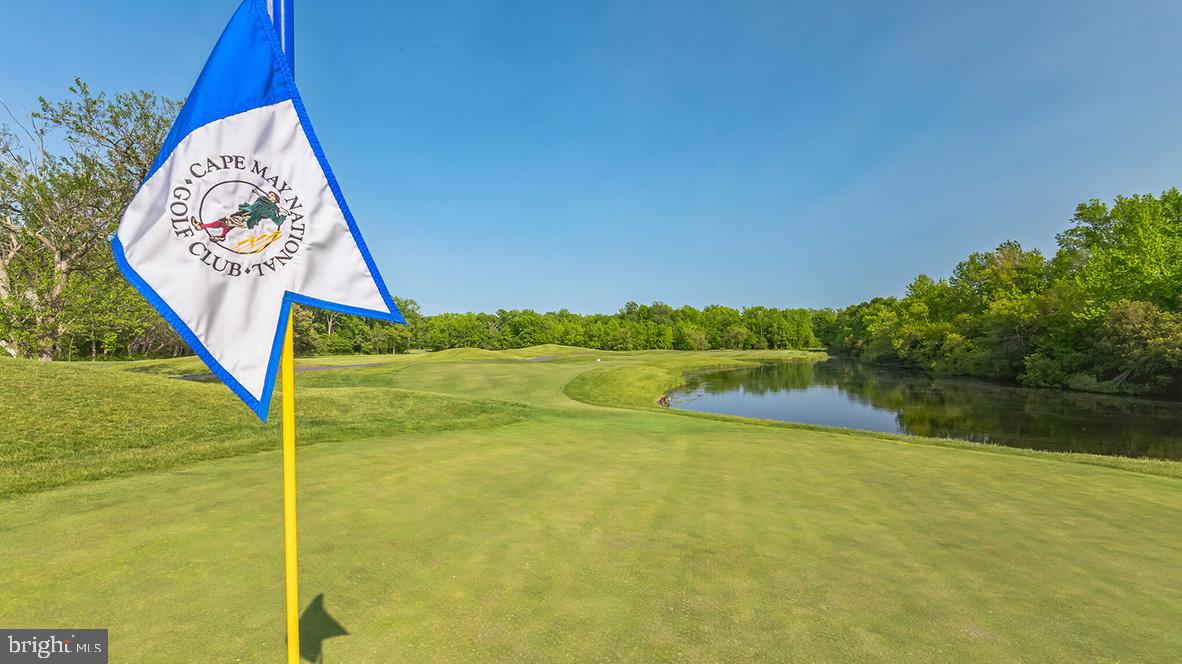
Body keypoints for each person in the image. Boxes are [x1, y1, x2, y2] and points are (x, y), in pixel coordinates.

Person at [196, 191, 289, 241]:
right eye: (269, 194)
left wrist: (282, 214)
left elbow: (277, 222)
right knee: (227, 224)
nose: (269, 195)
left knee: (223, 222)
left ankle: (201, 226)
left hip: (247, 219)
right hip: (244, 214)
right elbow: (253, 207)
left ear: (275, 199)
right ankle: (222, 236)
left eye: (272, 195)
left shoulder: (272, 210)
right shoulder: (262, 200)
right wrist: (261, 199)